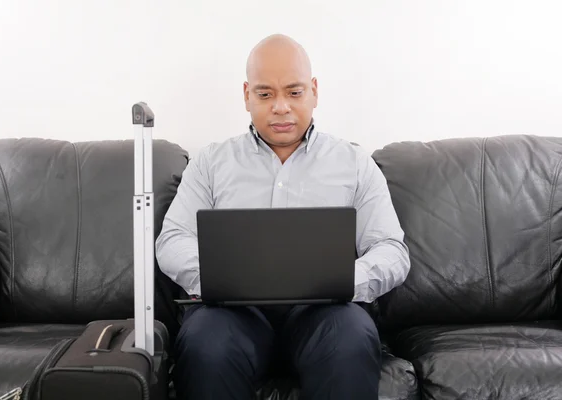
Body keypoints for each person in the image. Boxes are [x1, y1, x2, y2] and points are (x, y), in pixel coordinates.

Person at [155, 34, 411, 400]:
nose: (280, 107)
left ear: (314, 91)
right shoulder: (211, 163)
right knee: (206, 344)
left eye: (294, 92)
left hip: (324, 312)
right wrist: (221, 277)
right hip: (231, 313)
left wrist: (341, 280)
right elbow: (172, 240)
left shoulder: (354, 164)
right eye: (264, 94)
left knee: (350, 338)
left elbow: (391, 250)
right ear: (246, 95)